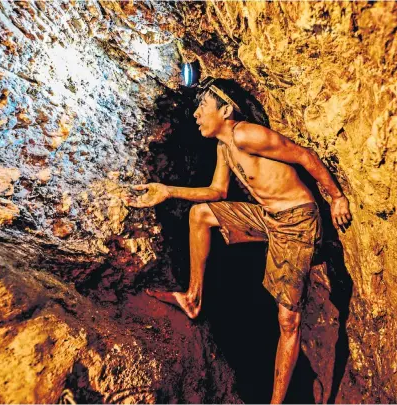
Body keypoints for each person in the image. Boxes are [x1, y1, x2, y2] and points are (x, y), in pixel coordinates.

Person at [123, 77, 352, 403]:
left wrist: (336, 197)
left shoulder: (246, 134)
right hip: (268, 218)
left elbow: (305, 156)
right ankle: (193, 298)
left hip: (297, 222)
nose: (196, 116)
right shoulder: (224, 146)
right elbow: (218, 192)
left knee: (288, 319)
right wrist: (167, 191)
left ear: (226, 110)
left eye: (203, 108)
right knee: (200, 214)